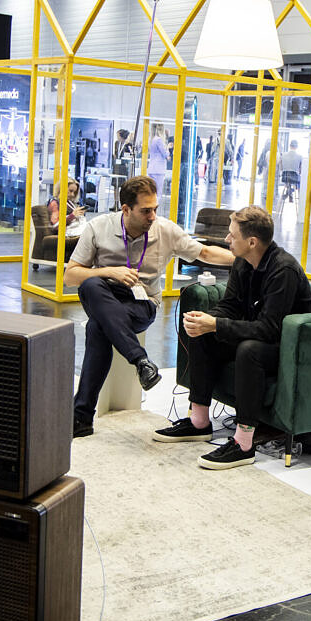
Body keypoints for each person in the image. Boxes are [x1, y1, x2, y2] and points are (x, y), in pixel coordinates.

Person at [64, 175, 234, 438]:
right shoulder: (99, 228)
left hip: (141, 303)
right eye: (145, 211)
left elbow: (205, 253)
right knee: (91, 285)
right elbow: (71, 276)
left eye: (155, 209)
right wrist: (111, 271)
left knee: (98, 327)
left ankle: (81, 417)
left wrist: (245, 258)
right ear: (126, 209)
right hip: (104, 295)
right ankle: (141, 361)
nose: (152, 216)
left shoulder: (165, 230)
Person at [154, 206, 311, 469]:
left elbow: (269, 329)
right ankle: (199, 422)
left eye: (232, 235)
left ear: (252, 242)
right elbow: (230, 305)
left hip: (290, 347)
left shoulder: (283, 270)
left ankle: (244, 444)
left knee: (249, 350)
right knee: (203, 333)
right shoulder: (243, 261)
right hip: (262, 335)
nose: (226, 239)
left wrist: (217, 324)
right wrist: (207, 320)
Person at [147, 123, 169, 195]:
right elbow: (164, 153)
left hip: (151, 168)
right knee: (158, 192)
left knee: (151, 191)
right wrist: (168, 148)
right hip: (158, 170)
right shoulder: (159, 140)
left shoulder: (151, 139)